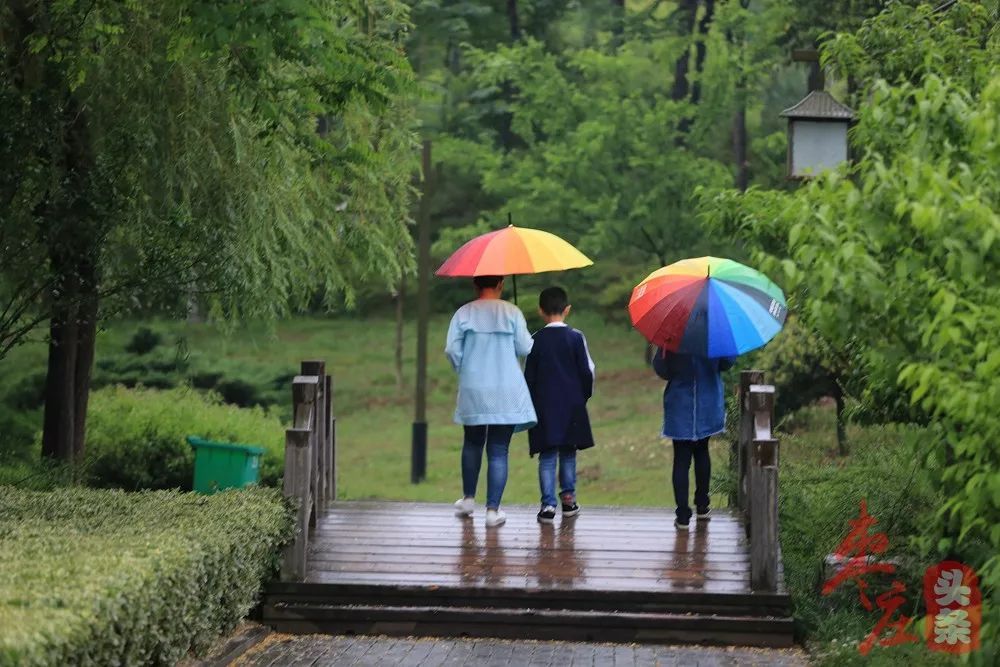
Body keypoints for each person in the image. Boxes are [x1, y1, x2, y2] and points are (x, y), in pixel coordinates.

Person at [446, 275, 536, 527]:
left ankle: (467, 500)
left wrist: (465, 369)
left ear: (475, 285)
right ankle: (492, 511)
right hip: (506, 388)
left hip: (474, 387)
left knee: (472, 443)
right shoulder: (512, 311)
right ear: (501, 285)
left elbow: (452, 350)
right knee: (498, 450)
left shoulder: (463, 313)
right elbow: (525, 348)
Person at [524, 287, 595, 525]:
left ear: (540, 311)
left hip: (543, 408)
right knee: (568, 453)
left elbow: (529, 378)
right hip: (571, 406)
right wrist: (582, 397)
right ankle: (568, 499)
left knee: (546, 456)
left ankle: (547, 504)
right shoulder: (576, 337)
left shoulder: (534, 340)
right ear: (567, 310)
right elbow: (587, 372)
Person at [652, 349, 734, 530]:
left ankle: (682, 515)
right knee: (702, 452)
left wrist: (663, 350)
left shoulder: (673, 334)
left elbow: (662, 370)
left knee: (681, 460)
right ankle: (703, 505)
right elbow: (727, 363)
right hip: (708, 402)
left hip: (680, 405)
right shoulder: (714, 333)